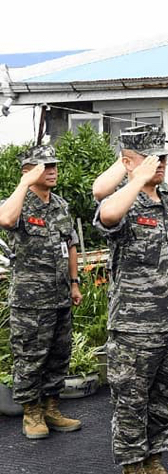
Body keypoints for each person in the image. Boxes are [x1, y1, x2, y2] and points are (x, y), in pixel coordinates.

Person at [94, 129, 168, 474]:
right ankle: (132, 473)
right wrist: (133, 178)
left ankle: (155, 463)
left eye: (163, 156)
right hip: (135, 324)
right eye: (151, 157)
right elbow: (108, 214)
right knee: (132, 401)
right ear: (128, 161)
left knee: (166, 397)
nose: (161, 163)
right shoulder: (122, 198)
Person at [0, 144, 83, 440]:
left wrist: (74, 283)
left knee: (59, 355)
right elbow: (6, 220)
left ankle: (51, 407)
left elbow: (70, 244)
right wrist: (23, 182)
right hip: (30, 300)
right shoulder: (17, 203)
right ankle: (31, 413)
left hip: (60, 295)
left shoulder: (60, 205)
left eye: (54, 165)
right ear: (28, 171)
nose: (52, 171)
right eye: (45, 166)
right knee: (30, 356)